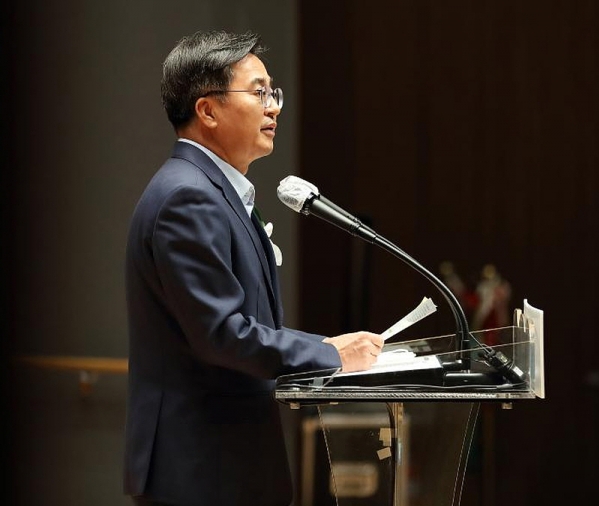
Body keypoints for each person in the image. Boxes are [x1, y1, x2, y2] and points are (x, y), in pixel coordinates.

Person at [124, 30, 383, 506]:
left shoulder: (206, 190)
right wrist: (330, 355)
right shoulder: (189, 198)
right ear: (208, 110)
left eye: (274, 93)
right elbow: (223, 334)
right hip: (201, 469)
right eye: (259, 92)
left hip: (219, 464)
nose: (274, 107)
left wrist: (325, 346)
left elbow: (239, 327)